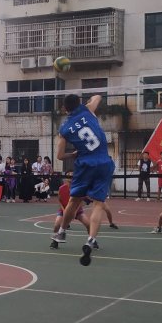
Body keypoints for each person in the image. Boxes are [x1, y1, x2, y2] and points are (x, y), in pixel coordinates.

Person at [51, 93, 116, 266]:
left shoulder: (64, 129)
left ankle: (62, 231)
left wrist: (72, 154)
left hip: (85, 164)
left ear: (65, 109)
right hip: (104, 162)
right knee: (98, 204)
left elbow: (59, 156)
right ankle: (90, 240)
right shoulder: (88, 110)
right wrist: (91, 100)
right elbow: (98, 97)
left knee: (74, 201)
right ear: (79, 103)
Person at [50, 173, 91, 249]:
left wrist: (74, 211)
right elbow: (59, 200)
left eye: (72, 176)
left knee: (89, 225)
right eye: (68, 176)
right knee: (56, 225)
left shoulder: (79, 188)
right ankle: (55, 241)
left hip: (77, 210)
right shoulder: (61, 188)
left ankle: (91, 241)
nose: (70, 178)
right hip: (63, 210)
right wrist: (64, 210)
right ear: (65, 178)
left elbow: (82, 201)